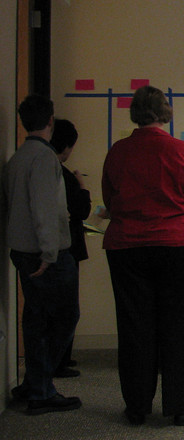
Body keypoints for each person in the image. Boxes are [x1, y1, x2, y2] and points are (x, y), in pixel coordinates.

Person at [102, 86, 184, 427]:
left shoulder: (118, 151)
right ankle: (181, 406)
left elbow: (110, 198)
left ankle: (137, 407)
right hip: (178, 244)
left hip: (127, 246)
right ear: (165, 112)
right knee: (178, 326)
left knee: (134, 326)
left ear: (135, 113)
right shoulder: (181, 149)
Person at [2, 95, 81, 415]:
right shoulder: (45, 158)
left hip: (21, 250)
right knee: (63, 317)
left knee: (35, 319)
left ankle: (33, 383)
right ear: (50, 121)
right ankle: (41, 389)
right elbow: (44, 209)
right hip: (46, 254)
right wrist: (49, 253)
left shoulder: (17, 158)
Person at [49, 118, 92, 377]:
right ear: (66, 146)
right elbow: (81, 210)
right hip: (65, 247)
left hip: (56, 247)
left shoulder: (49, 170)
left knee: (58, 307)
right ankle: (57, 361)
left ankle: (60, 358)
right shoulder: (63, 174)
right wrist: (82, 187)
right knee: (66, 308)